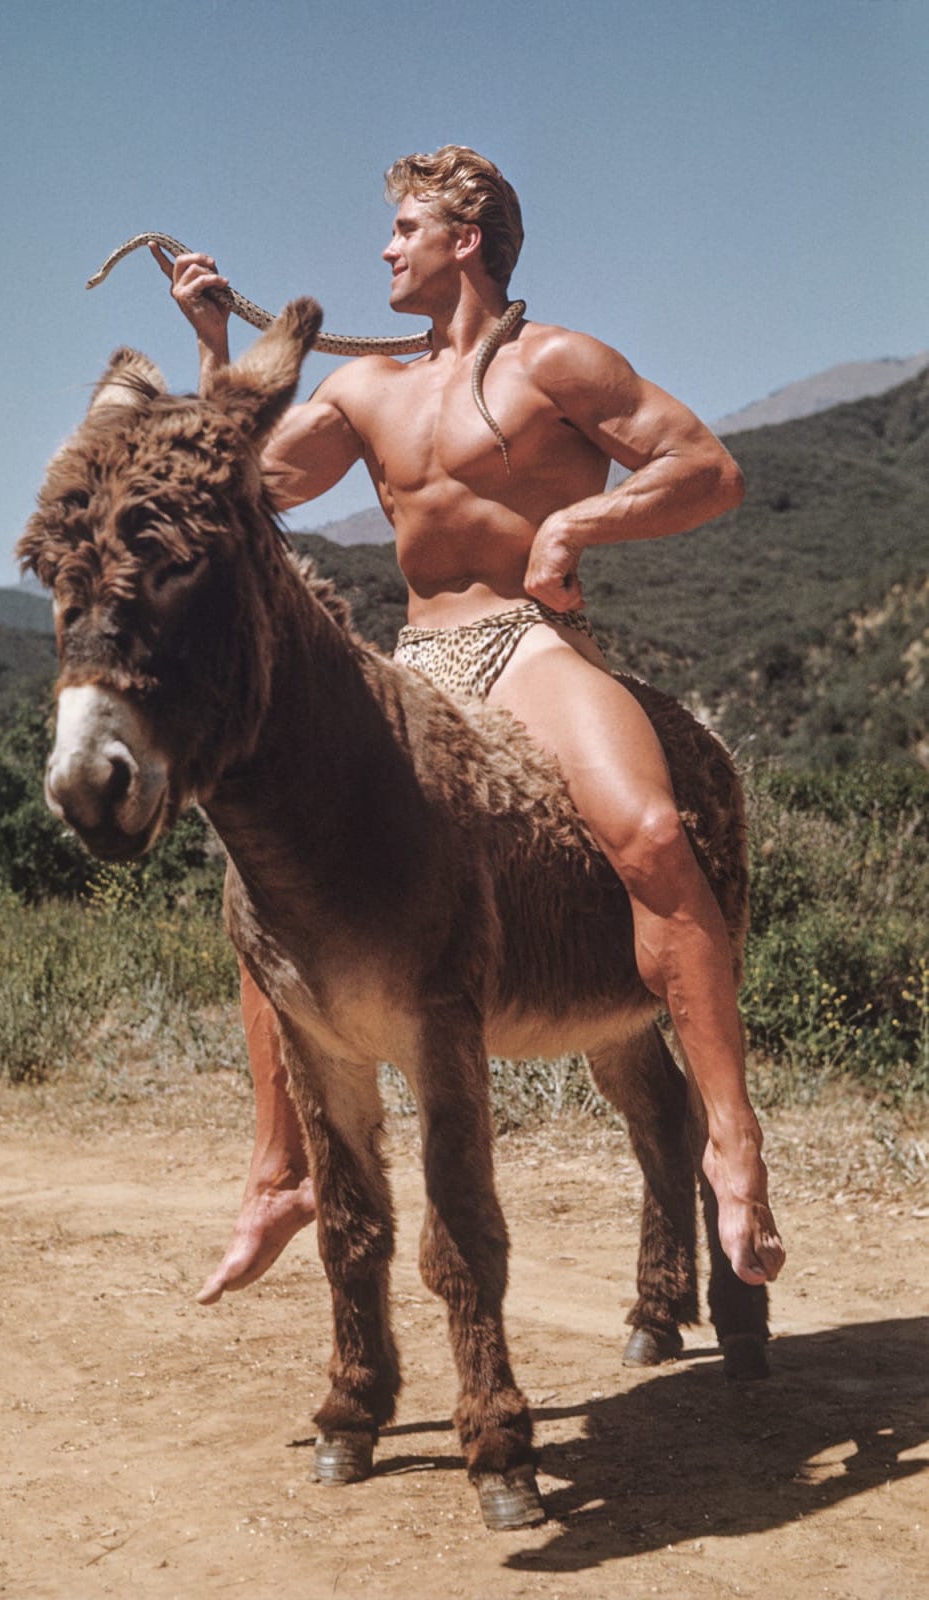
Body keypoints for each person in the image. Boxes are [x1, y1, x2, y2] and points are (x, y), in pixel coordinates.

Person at [152, 145, 786, 1303]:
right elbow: (233, 483)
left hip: (529, 644)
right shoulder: (364, 389)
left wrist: (575, 528)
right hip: (417, 661)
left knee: (648, 832)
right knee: (271, 886)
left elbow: (708, 470)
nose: (385, 248)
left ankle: (730, 1141)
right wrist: (208, 342)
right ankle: (278, 1171)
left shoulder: (560, 362)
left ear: (468, 237)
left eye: (404, 228)